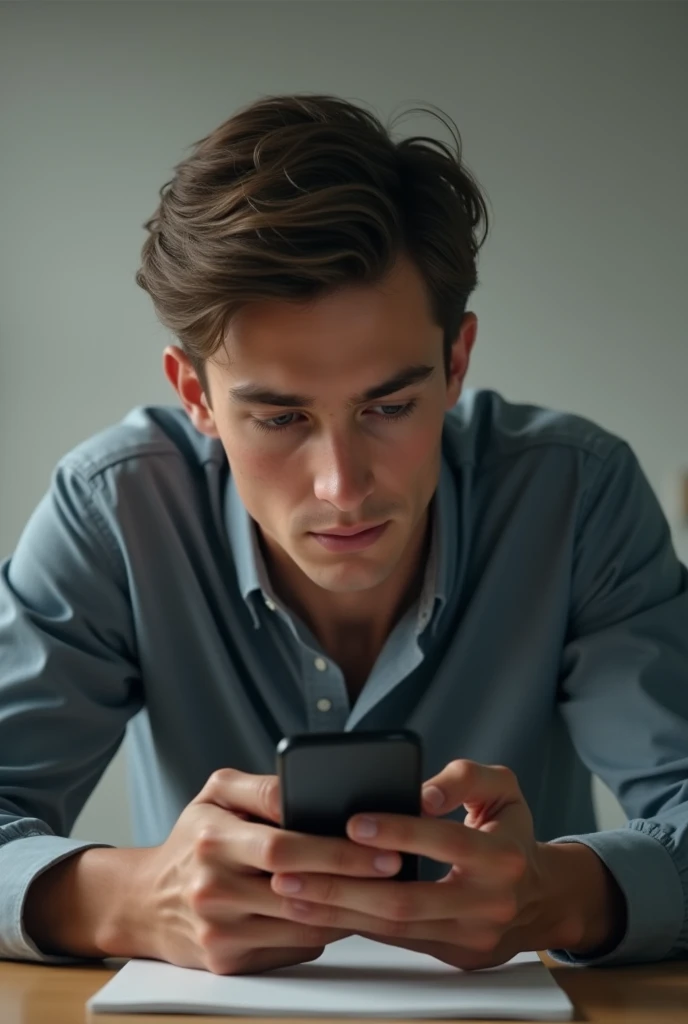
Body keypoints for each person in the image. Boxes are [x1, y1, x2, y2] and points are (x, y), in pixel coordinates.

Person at [1, 93, 687, 978]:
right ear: (197, 396)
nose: (342, 485)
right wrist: (131, 898)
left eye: (390, 406)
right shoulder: (115, 509)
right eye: (281, 417)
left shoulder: (576, 494)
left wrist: (563, 894)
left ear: (458, 363)